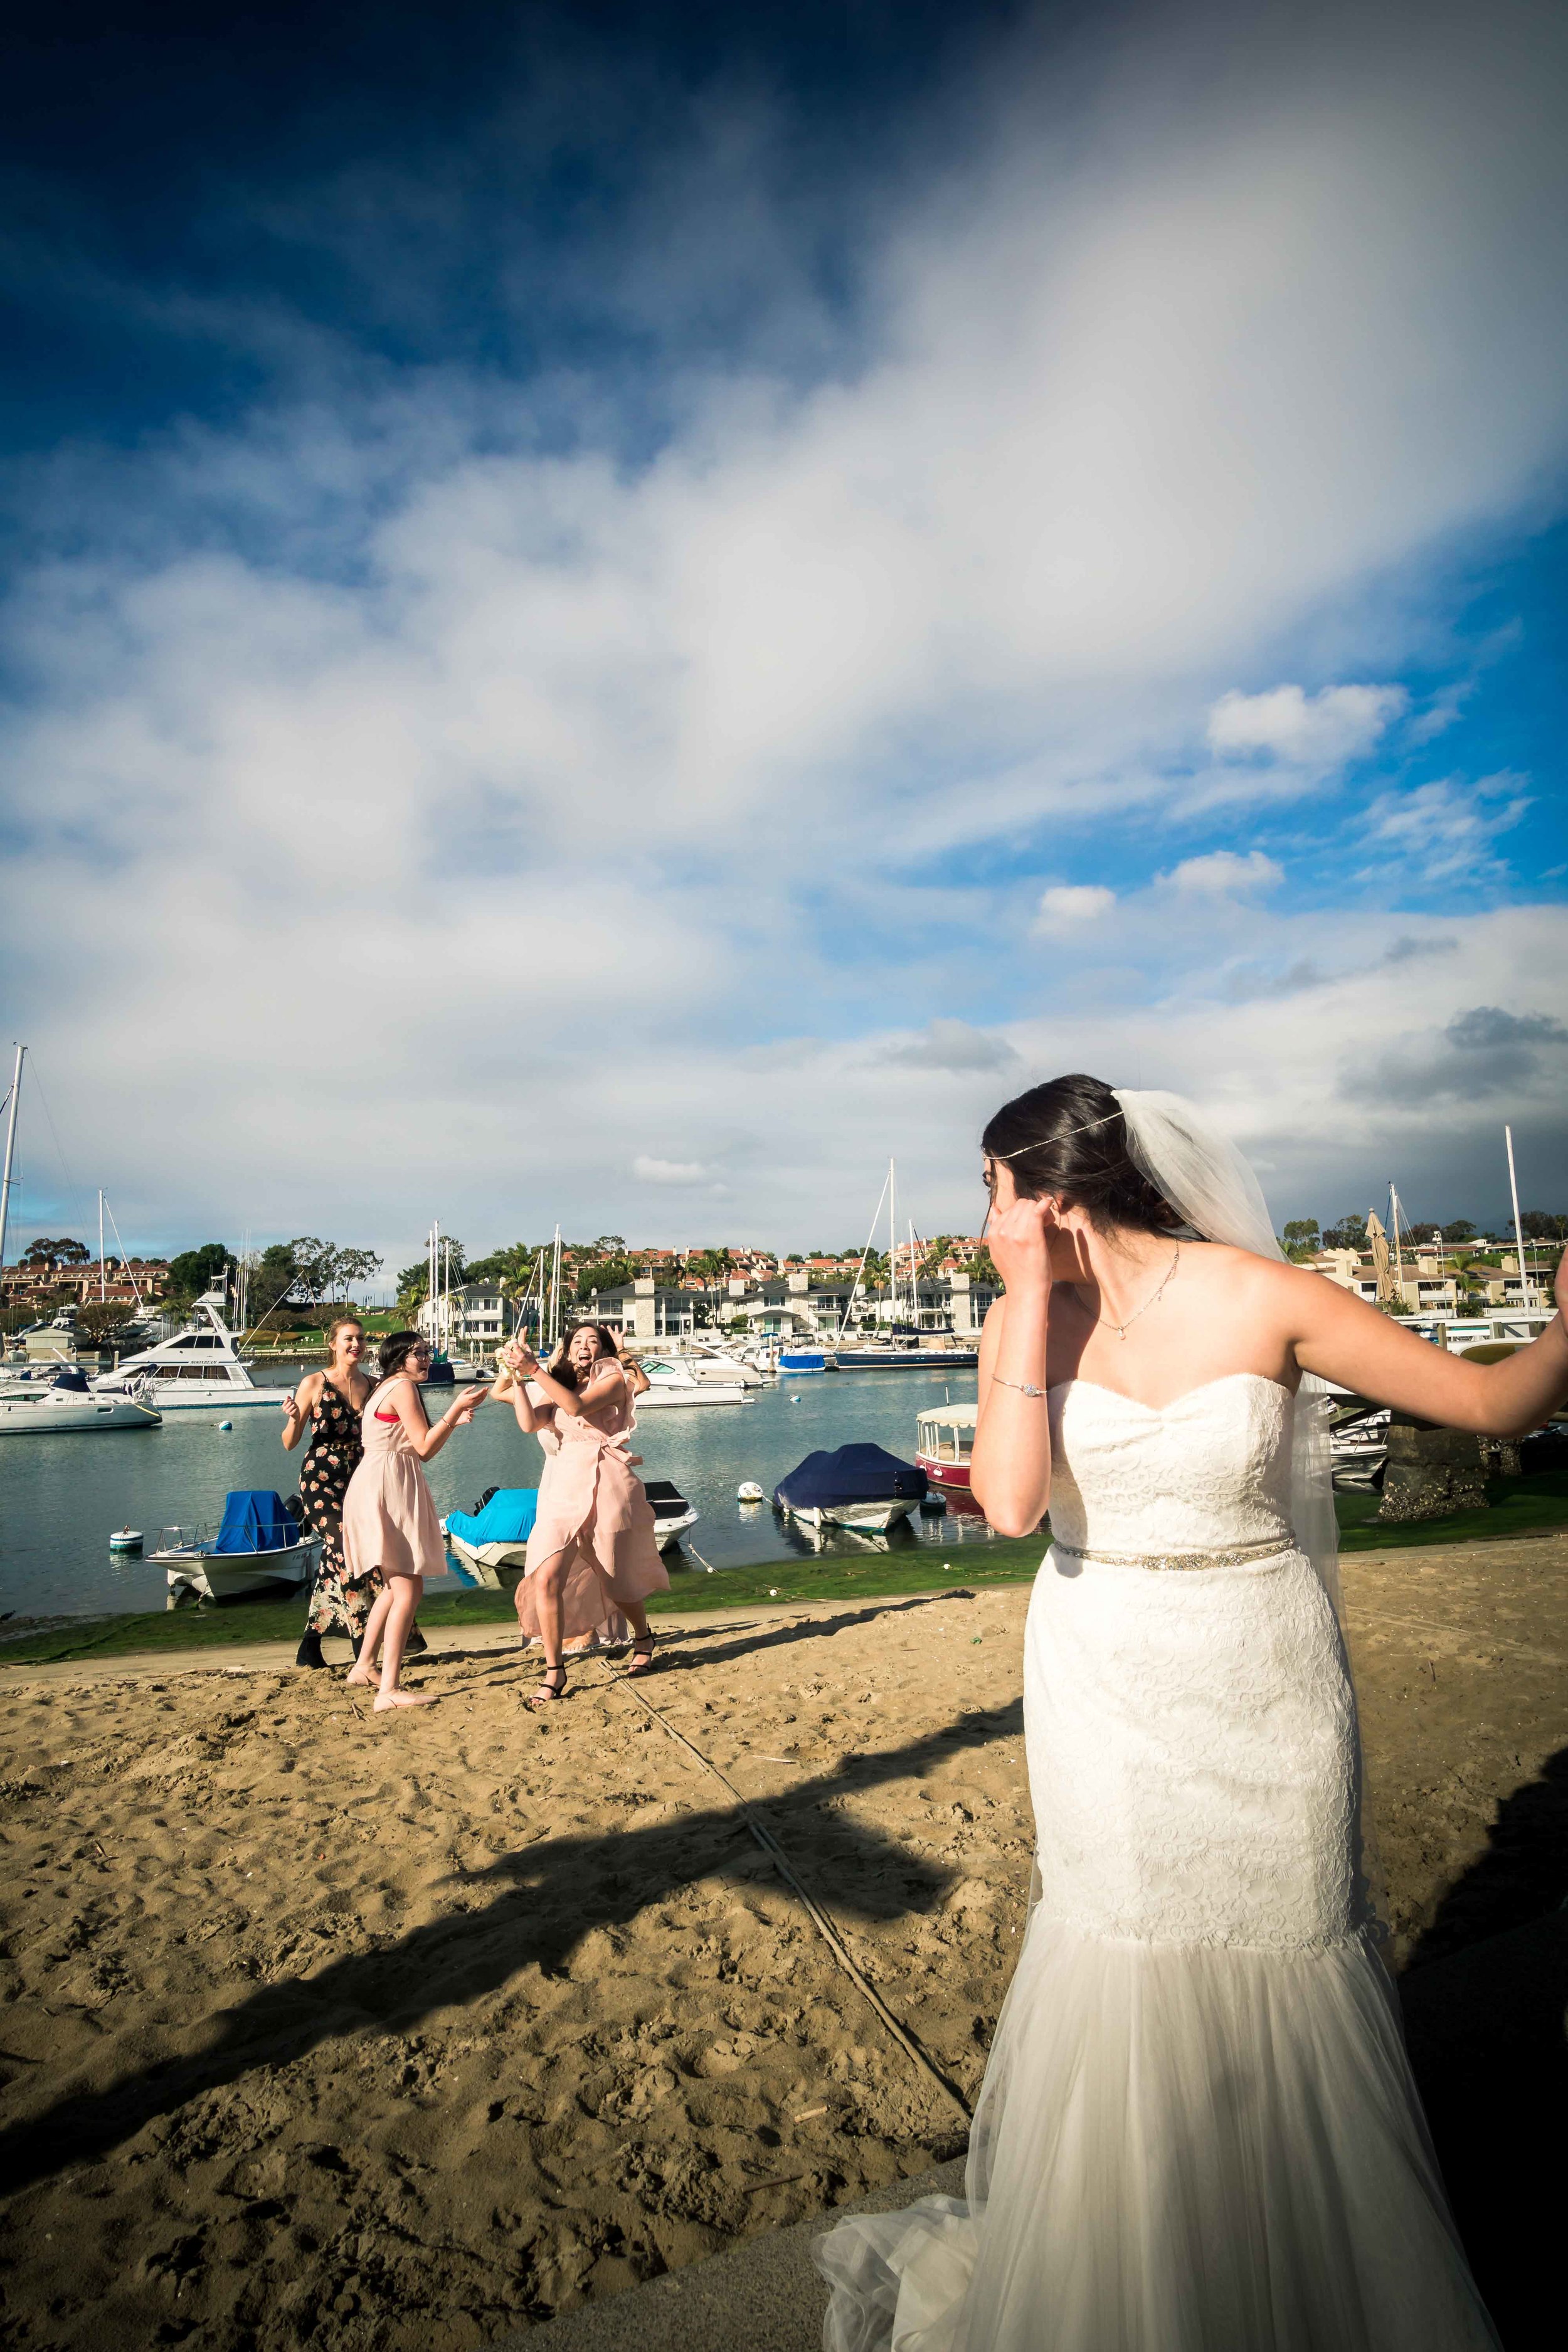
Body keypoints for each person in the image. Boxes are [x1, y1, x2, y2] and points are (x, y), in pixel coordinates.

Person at [815, 1074, 1559, 2351]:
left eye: (989, 1188)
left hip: (1260, 1669)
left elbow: (1489, 1404)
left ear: (1047, 1191)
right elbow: (1002, 1506)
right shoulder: (1020, 1322)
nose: (979, 1215)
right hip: (1102, 1670)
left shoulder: (1259, 1295)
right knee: (1128, 1947)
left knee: (1282, 1939)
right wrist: (1025, 1302)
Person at [496, 1322, 668, 1703]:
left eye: (594, 1341)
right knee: (546, 1577)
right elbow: (528, 1423)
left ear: (605, 1349)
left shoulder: (612, 1378)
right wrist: (518, 1376)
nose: (585, 1346)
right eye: (577, 1341)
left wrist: (532, 1370)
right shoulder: (559, 1384)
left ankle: (643, 1636)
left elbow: (576, 1407)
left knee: (614, 1577)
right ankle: (554, 1671)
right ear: (568, 1349)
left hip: (604, 1481)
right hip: (560, 1486)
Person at [342, 1331, 484, 1710]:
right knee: (407, 1589)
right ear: (398, 1358)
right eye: (417, 1353)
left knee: (393, 1587)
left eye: (427, 1352)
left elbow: (418, 1446)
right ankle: (388, 1689)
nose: (425, 1358)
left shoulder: (386, 1386)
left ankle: (364, 1665)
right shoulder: (403, 1387)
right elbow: (423, 1449)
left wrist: (451, 1421)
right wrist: (453, 1412)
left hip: (382, 1481)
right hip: (389, 1486)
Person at [280, 1315, 376, 1668]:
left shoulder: (374, 1384)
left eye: (361, 1339)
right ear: (333, 1344)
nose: (356, 1345)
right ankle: (360, 1643)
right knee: (346, 1545)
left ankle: (310, 1644)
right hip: (320, 1481)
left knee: (335, 1561)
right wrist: (293, 1418)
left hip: (361, 1480)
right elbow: (290, 1443)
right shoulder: (315, 1383)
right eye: (349, 1339)